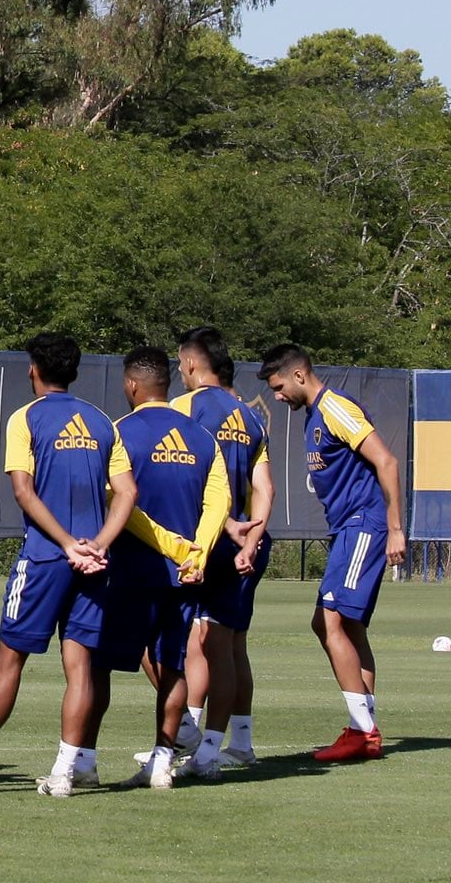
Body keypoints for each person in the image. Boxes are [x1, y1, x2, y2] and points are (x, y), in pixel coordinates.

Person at [0, 333, 137, 798]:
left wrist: (65, 545)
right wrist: (95, 544)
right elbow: (128, 493)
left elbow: (23, 491)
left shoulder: (26, 417)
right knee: (80, 667)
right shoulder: (102, 422)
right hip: (96, 563)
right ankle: (64, 773)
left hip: (44, 559)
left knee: (7, 662)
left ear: (33, 368)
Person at [81, 346, 228, 790]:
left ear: (131, 385)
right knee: (172, 668)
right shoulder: (202, 438)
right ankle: (162, 762)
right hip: (184, 576)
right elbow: (218, 500)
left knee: (97, 665)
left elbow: (119, 501)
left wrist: (172, 546)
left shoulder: (117, 432)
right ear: (167, 383)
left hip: (131, 571)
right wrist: (197, 552)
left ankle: (84, 760)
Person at [260, 343, 406, 763]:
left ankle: (363, 732)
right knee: (349, 627)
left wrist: (396, 529)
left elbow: (388, 462)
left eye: (279, 386)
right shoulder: (313, 417)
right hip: (347, 529)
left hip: (365, 525)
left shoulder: (335, 408)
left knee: (329, 621)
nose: (277, 396)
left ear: (300, 376)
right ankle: (364, 731)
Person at [173, 327, 272, 775]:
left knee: (198, 642)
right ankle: (225, 746)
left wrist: (224, 528)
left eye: (179, 363)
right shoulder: (249, 417)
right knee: (228, 643)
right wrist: (250, 539)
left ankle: (195, 741)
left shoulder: (184, 408)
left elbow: (183, 476)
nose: (178, 371)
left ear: (192, 363)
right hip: (243, 544)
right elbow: (265, 487)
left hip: (205, 540)